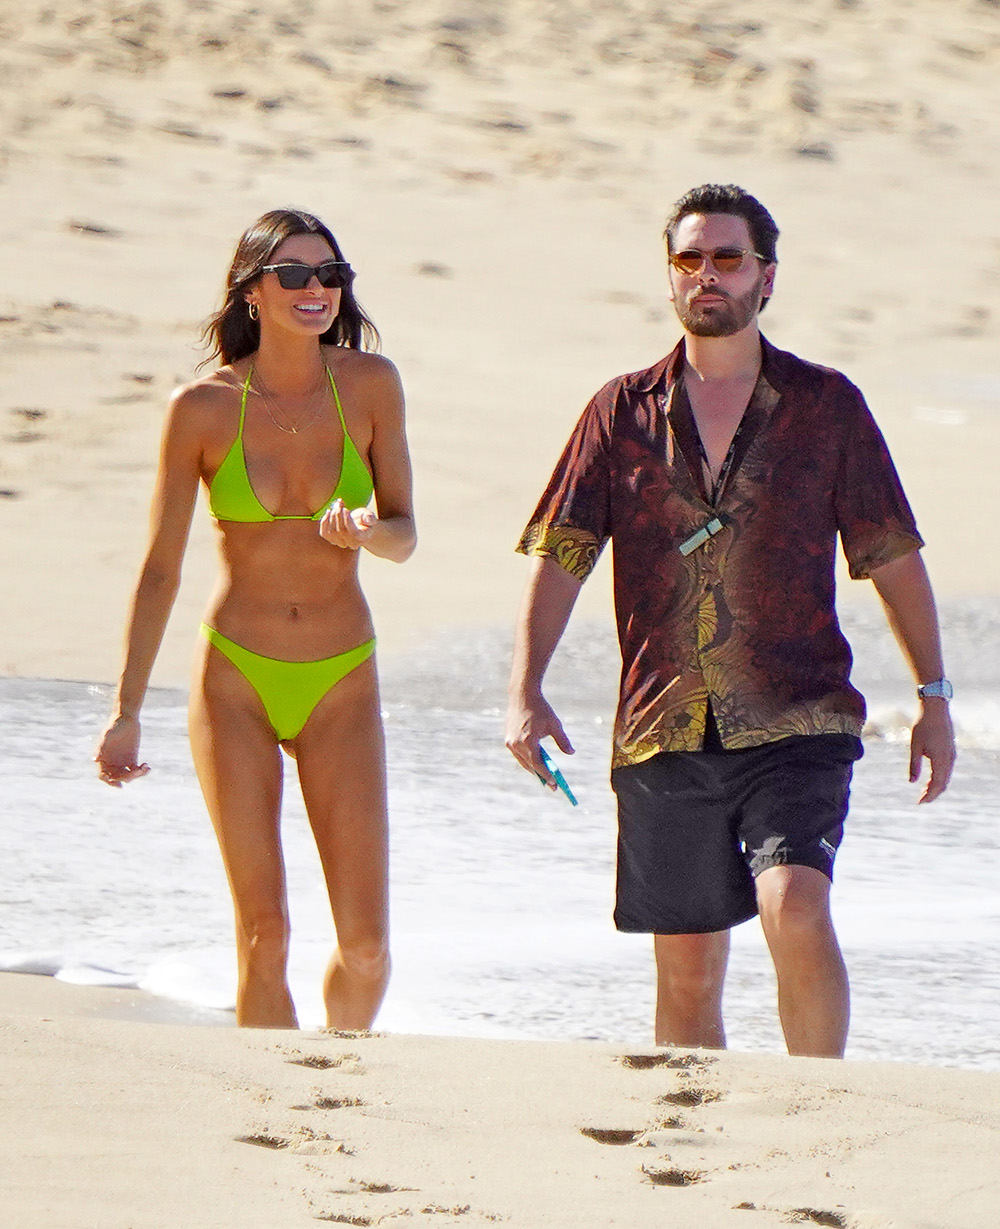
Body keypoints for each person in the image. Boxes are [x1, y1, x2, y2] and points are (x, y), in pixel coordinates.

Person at [506, 183, 955, 1058]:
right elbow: (562, 553)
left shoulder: (827, 407)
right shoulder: (619, 411)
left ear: (766, 278)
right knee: (686, 973)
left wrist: (933, 694)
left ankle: (818, 1114)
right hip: (663, 724)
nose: (706, 275)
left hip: (799, 716)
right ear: (670, 278)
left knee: (795, 903)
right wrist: (525, 688)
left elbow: (892, 556)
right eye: (688, 259)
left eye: (726, 258)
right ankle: (696, 1152)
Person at [95, 208, 416, 1030]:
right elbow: (160, 567)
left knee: (370, 943)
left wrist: (366, 530)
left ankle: (339, 1079)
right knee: (264, 934)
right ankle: (270, 1121)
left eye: (331, 275)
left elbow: (404, 534)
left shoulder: (373, 386)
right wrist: (126, 711)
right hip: (235, 675)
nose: (317, 290)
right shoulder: (201, 408)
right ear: (253, 288)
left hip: (341, 676)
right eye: (296, 275)